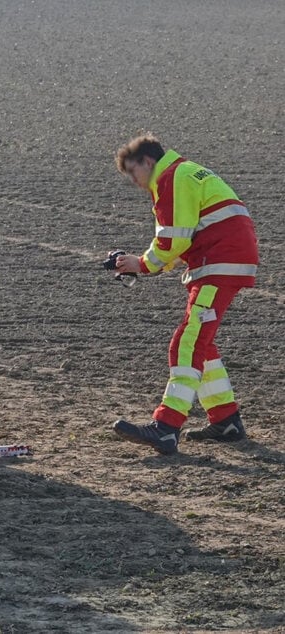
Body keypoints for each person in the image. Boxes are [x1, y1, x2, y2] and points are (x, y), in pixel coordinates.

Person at [110, 134, 259, 455]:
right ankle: (226, 419)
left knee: (186, 343)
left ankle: (166, 427)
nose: (134, 182)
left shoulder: (170, 178)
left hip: (219, 261)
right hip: (226, 258)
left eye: (133, 173)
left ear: (147, 162)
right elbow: (187, 235)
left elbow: (174, 238)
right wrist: (144, 264)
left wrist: (143, 264)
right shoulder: (186, 171)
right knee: (201, 342)